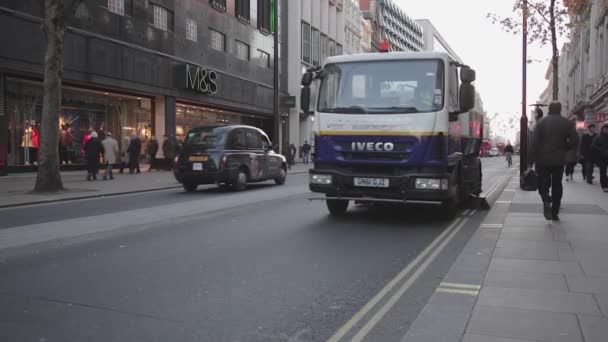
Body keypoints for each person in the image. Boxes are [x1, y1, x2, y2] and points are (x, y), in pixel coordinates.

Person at [530, 102, 579, 221]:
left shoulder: (541, 122)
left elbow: (534, 142)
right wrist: (566, 147)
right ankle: (555, 212)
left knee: (543, 183)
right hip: (559, 159)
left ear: (550, 109)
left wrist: (532, 158)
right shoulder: (567, 122)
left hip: (542, 159)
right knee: (557, 184)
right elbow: (575, 139)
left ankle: (546, 199)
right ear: (560, 109)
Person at [591, 123, 608, 192]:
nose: (607, 130)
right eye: (605, 129)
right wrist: (601, 150)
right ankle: (604, 185)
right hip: (602, 157)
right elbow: (593, 146)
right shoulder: (598, 137)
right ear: (602, 129)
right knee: (603, 172)